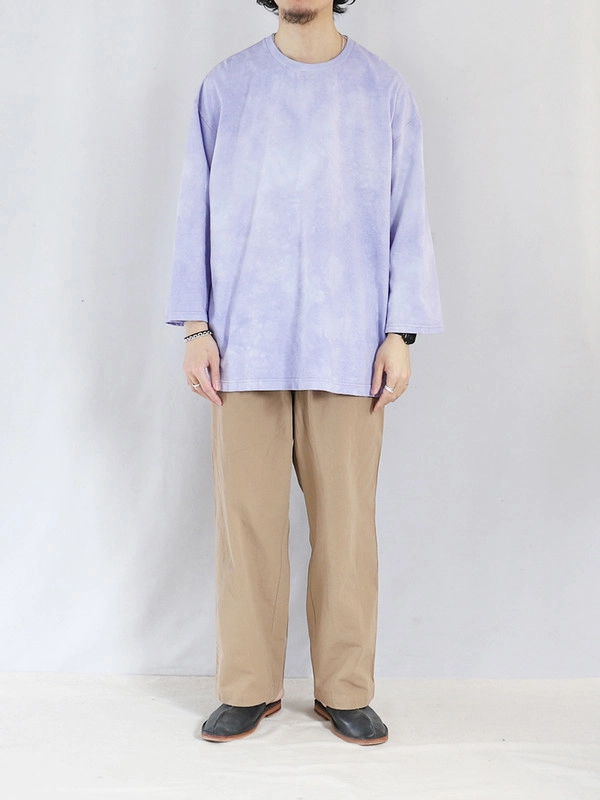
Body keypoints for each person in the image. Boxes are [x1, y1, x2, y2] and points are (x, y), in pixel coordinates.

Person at [165, 0, 443, 746]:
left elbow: (408, 214)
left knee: (347, 529)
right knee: (246, 527)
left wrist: (400, 332)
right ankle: (248, 687)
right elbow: (194, 208)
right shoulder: (226, 86)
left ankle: (344, 689)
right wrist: (195, 326)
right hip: (242, 344)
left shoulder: (382, 89)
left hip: (349, 343)